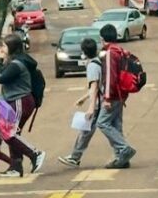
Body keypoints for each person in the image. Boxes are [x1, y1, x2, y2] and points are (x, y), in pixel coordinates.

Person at [58, 24, 136, 169]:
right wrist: (86, 98)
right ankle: (121, 157)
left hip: (109, 98)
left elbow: (104, 82)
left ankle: (124, 149)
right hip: (119, 95)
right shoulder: (116, 52)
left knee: (101, 124)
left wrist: (94, 105)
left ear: (102, 39)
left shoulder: (107, 56)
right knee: (115, 126)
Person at [0, 34, 45, 176]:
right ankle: (16, 167)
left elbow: (0, 77)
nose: (2, 49)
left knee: (9, 133)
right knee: (13, 134)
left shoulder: (17, 64)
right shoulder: (14, 61)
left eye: (4, 46)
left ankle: (35, 154)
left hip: (20, 101)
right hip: (15, 101)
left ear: (11, 47)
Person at [58, 37, 101, 167]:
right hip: (100, 101)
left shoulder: (92, 66)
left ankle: (75, 157)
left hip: (98, 103)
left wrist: (91, 108)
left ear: (83, 52)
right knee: (105, 128)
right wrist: (84, 98)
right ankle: (122, 150)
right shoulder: (98, 62)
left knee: (86, 131)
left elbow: (94, 87)